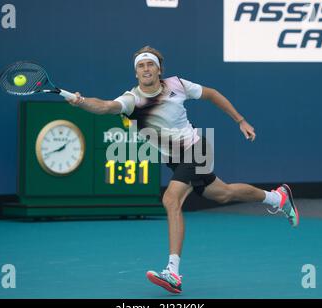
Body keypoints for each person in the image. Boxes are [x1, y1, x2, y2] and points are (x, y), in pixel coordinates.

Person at [67, 46, 299, 294]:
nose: (146, 69)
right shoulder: (131, 100)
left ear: (159, 69)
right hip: (176, 160)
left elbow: (212, 94)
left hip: (196, 150)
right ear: (136, 73)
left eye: (150, 64)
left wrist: (240, 120)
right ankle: (278, 197)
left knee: (171, 198)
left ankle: (173, 272)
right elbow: (104, 106)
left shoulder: (177, 85)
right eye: (141, 66)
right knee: (224, 193)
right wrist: (81, 102)